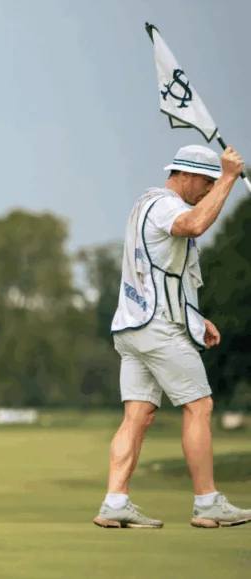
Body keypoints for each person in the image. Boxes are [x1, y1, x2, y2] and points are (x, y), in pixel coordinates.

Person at [97, 143, 251, 529]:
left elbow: (164, 274)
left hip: (132, 327)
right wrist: (230, 177)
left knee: (138, 415)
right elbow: (196, 224)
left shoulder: (144, 204)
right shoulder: (167, 206)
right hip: (157, 329)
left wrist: (197, 319)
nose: (207, 189)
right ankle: (207, 502)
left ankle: (115, 503)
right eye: (205, 181)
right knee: (199, 406)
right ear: (183, 175)